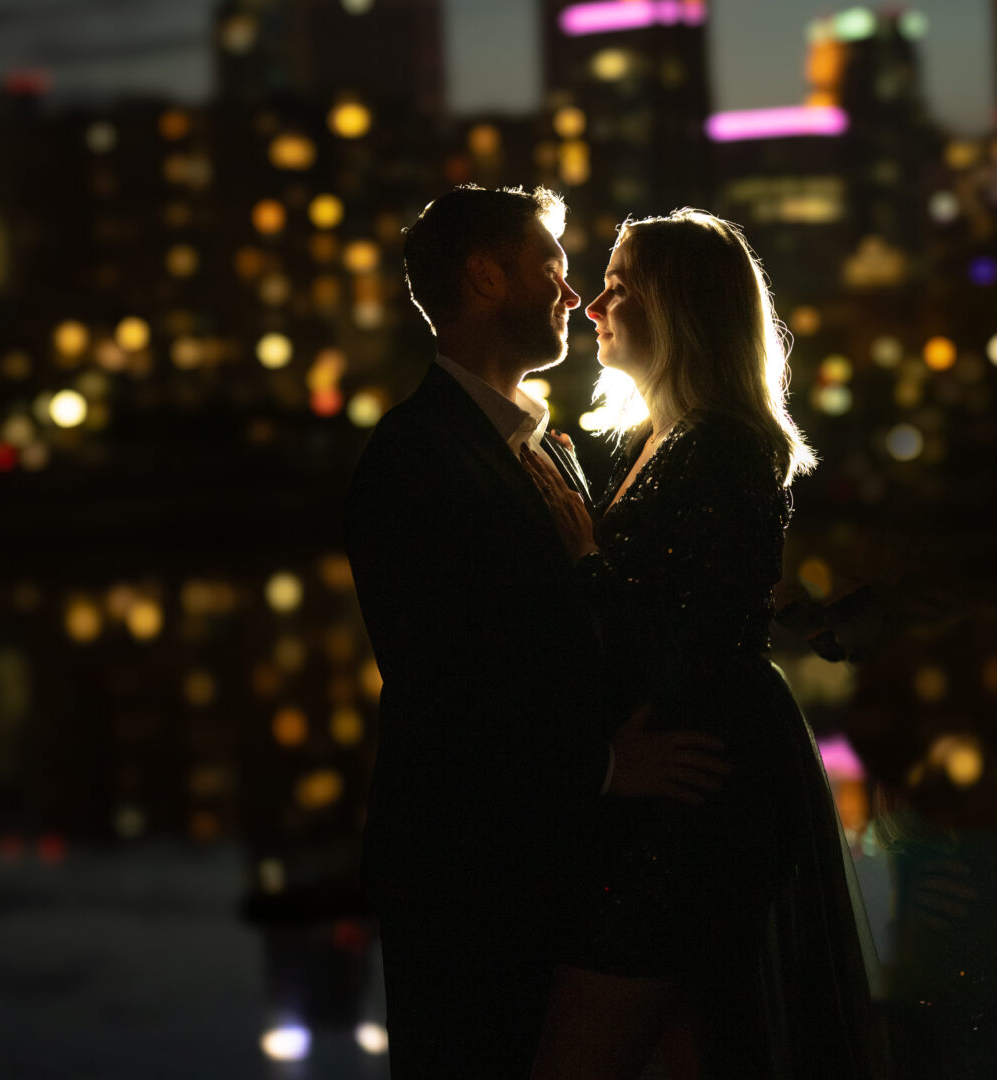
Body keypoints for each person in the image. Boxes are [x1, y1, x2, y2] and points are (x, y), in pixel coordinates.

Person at [342, 186, 730, 1078]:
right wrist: (604, 769)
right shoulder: (414, 459)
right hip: (469, 882)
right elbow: (443, 692)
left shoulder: (545, 448)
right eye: (552, 269)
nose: (571, 294)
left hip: (561, 869)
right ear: (484, 279)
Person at [521, 209, 877, 1079]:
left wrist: (584, 562)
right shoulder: (655, 440)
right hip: (669, 784)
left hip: (693, 796)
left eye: (620, 288)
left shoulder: (723, 446)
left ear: (678, 311)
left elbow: (691, 634)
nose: (592, 305)